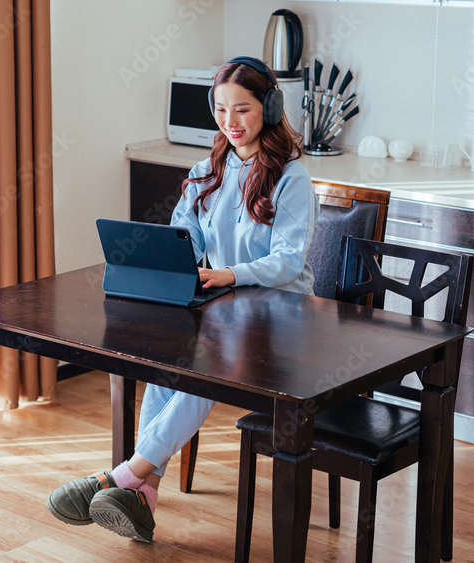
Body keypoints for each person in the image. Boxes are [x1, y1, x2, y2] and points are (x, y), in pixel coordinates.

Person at [46, 56, 319, 543]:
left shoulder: (291, 177)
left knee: (203, 374)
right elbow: (183, 234)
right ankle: (142, 496)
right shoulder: (205, 170)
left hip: (283, 319)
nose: (230, 123)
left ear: (270, 109)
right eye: (220, 110)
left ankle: (123, 476)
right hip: (227, 308)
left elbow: (289, 262)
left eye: (243, 110)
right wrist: (181, 260)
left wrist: (228, 273)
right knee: (167, 368)